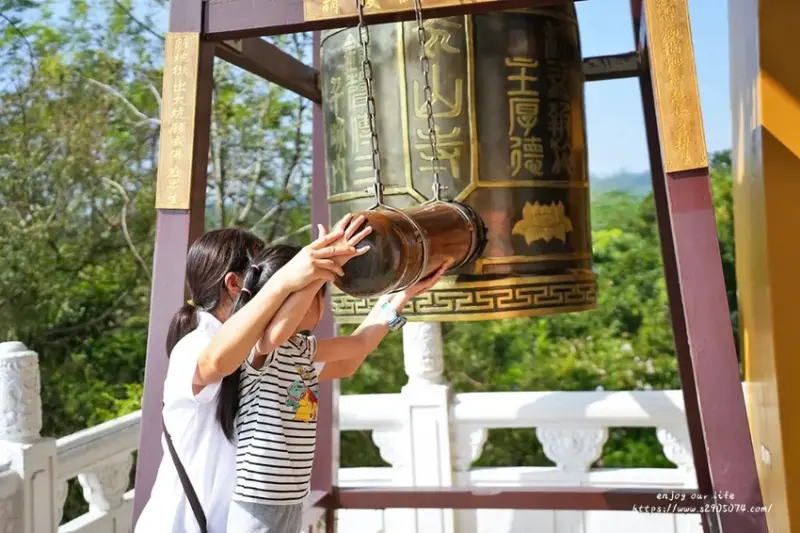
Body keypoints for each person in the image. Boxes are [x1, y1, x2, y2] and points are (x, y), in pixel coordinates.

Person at [135, 217, 371, 533]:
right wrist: (287, 281)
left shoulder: (271, 347)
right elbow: (218, 362)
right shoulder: (195, 344)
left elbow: (346, 363)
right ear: (235, 284)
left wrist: (396, 302)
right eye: (263, 273)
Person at [225, 222, 451, 533]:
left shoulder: (302, 349)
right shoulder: (260, 346)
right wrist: (319, 268)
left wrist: (404, 294)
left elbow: (359, 344)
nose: (322, 303)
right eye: (320, 293)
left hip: (290, 497)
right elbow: (278, 331)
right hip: (259, 501)